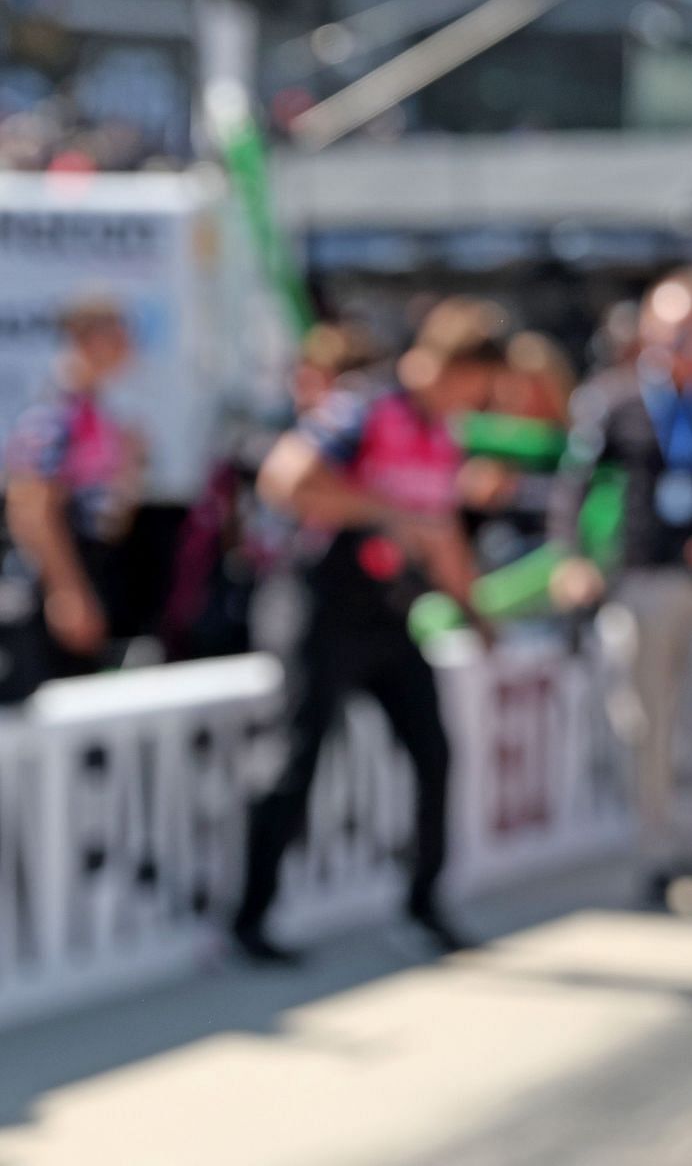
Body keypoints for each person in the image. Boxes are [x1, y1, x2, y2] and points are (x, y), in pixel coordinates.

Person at [232, 298, 506, 964]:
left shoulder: (442, 433)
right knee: (295, 760)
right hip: (317, 605)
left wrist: (474, 613)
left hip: (389, 613)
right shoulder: (362, 407)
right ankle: (250, 918)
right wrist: (385, 511)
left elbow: (440, 533)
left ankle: (424, 901)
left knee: (434, 751)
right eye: (478, 381)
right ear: (455, 366)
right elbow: (283, 480)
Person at [547, 272, 692, 913]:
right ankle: (655, 855)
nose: (685, 340)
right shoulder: (613, 400)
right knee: (646, 726)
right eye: (674, 328)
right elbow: (571, 488)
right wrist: (573, 560)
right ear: (649, 331)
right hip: (641, 585)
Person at [3, 296, 142, 684]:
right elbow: (29, 503)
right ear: (86, 340)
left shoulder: (93, 408)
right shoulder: (55, 409)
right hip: (58, 580)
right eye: (117, 336)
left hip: (92, 569)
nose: (127, 348)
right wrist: (66, 592)